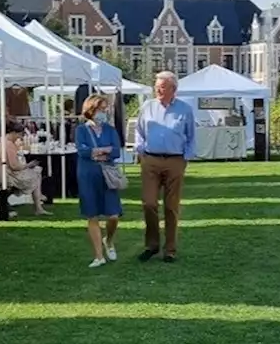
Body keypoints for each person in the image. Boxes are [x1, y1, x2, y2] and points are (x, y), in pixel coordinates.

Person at [134, 71, 195, 263]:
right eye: (157, 86)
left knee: (171, 206)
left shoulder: (185, 109)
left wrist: (186, 157)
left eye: (162, 87)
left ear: (173, 89)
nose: (158, 90)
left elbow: (191, 136)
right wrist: (140, 149)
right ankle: (151, 245)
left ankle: (170, 249)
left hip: (175, 160)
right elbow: (139, 131)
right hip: (151, 159)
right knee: (149, 203)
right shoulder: (148, 106)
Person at [76, 94, 123, 268]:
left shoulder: (110, 130)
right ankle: (98, 255)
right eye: (100, 109)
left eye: (105, 109)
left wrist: (97, 151)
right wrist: (103, 151)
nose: (104, 112)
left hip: (107, 175)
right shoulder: (81, 130)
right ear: (91, 110)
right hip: (88, 174)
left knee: (113, 215)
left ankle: (108, 240)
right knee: (92, 214)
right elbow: (82, 151)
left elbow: (116, 151)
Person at [1, 122, 49, 216]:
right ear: (14, 132)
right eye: (19, 134)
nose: (20, 137)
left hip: (7, 173)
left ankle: (39, 202)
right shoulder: (9, 145)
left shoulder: (4, 142)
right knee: (36, 174)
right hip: (10, 176)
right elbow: (14, 166)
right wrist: (28, 165)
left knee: (37, 171)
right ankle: (38, 205)